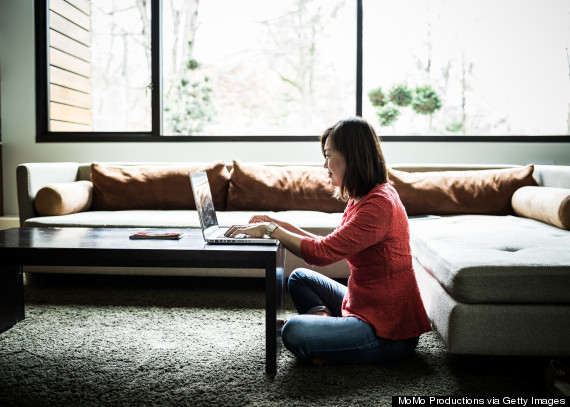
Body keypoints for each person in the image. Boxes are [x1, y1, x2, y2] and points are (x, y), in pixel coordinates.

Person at [225, 117, 431, 364]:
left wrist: (271, 230)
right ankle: (326, 331)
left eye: (328, 155)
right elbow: (327, 243)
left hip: (388, 331)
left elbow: (322, 253)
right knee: (300, 277)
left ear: (351, 156)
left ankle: (328, 341)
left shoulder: (379, 205)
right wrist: (275, 223)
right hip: (364, 303)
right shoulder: (363, 197)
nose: (324, 164)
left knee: (292, 331)